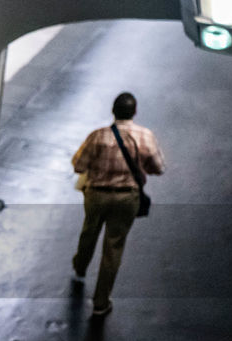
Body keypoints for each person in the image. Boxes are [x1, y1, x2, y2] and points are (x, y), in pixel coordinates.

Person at [70, 92, 164, 316]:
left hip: (96, 195)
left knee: (89, 232)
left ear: (113, 111)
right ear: (134, 112)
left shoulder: (97, 136)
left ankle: (80, 269)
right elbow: (158, 167)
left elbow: (78, 166)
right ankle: (101, 303)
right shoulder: (145, 136)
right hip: (126, 198)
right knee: (114, 247)